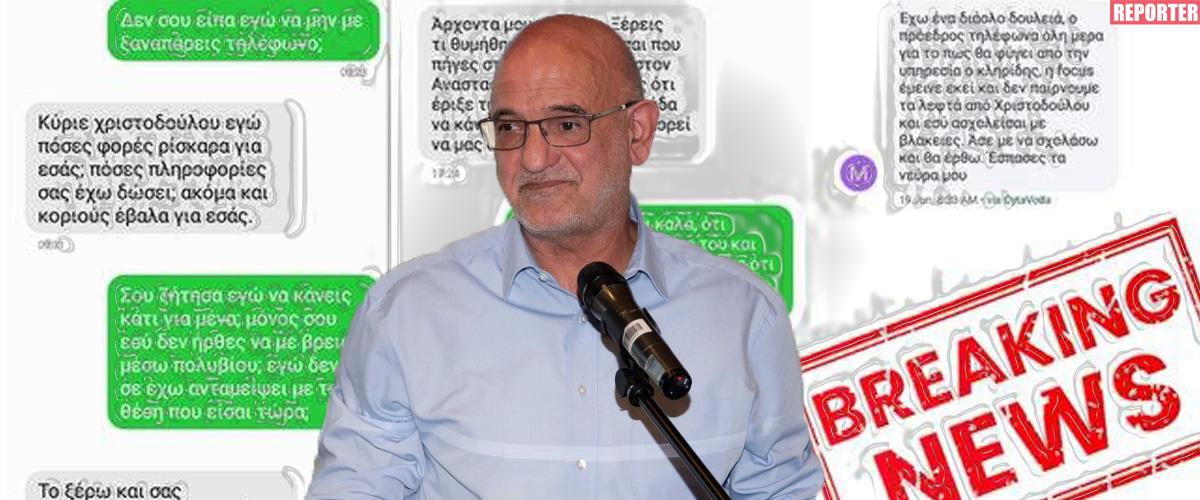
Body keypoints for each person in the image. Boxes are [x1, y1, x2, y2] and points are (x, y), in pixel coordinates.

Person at [307, 14, 824, 499]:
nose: (533, 158)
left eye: (567, 125)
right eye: (510, 128)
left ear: (637, 132)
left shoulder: (744, 316)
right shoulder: (405, 314)